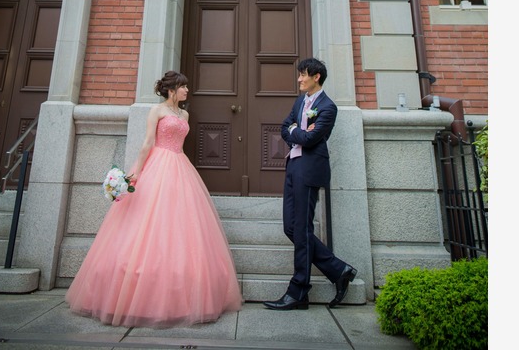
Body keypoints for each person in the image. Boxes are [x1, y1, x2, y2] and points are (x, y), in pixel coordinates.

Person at [66, 70, 244, 328]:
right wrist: (136, 172)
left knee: (180, 225)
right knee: (146, 222)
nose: (186, 91)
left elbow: (179, 144)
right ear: (172, 89)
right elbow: (148, 142)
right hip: (157, 164)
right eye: (183, 87)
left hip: (180, 166)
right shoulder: (157, 111)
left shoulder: (184, 114)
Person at [263, 57, 357, 310]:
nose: (299, 79)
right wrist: (296, 132)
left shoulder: (328, 107)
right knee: (292, 228)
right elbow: (285, 127)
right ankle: (339, 270)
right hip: (293, 165)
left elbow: (311, 137)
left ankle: (298, 292)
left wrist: (296, 133)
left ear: (316, 76)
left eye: (303, 74)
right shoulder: (300, 101)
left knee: (302, 228)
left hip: (310, 168)